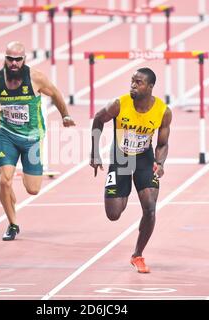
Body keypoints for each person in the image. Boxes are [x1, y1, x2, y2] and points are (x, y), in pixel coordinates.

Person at [0, 41, 75, 241]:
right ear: (5, 58)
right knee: (4, 181)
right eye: (9, 59)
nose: (13, 63)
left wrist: (65, 115)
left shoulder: (35, 78)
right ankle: (13, 224)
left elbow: (55, 94)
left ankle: (21, 170)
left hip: (31, 139)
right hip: (7, 136)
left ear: (24, 60)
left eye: (17, 60)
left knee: (33, 189)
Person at [90, 67, 172, 273]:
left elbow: (162, 144)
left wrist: (160, 163)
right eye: (132, 81)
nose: (133, 85)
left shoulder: (163, 111)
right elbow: (98, 120)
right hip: (121, 157)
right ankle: (122, 192)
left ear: (150, 87)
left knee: (150, 207)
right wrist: (95, 153)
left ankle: (138, 255)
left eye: (139, 82)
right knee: (114, 213)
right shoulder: (119, 104)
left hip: (145, 158)